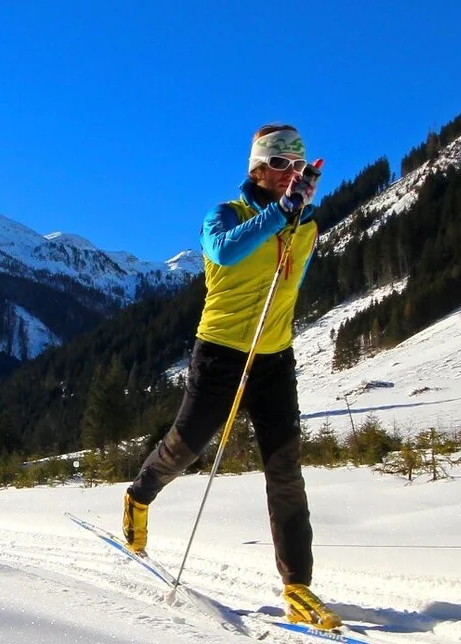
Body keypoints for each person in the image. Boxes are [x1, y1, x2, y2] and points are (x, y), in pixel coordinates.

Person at [122, 124, 344, 630]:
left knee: (285, 470)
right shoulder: (225, 215)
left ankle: (298, 586)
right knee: (187, 446)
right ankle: (139, 495)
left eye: (299, 168)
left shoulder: (305, 226)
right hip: (220, 353)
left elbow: (292, 285)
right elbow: (224, 252)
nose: (291, 175)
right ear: (258, 169)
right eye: (282, 165)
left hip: (274, 358)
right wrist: (280, 215)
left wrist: (295, 218)